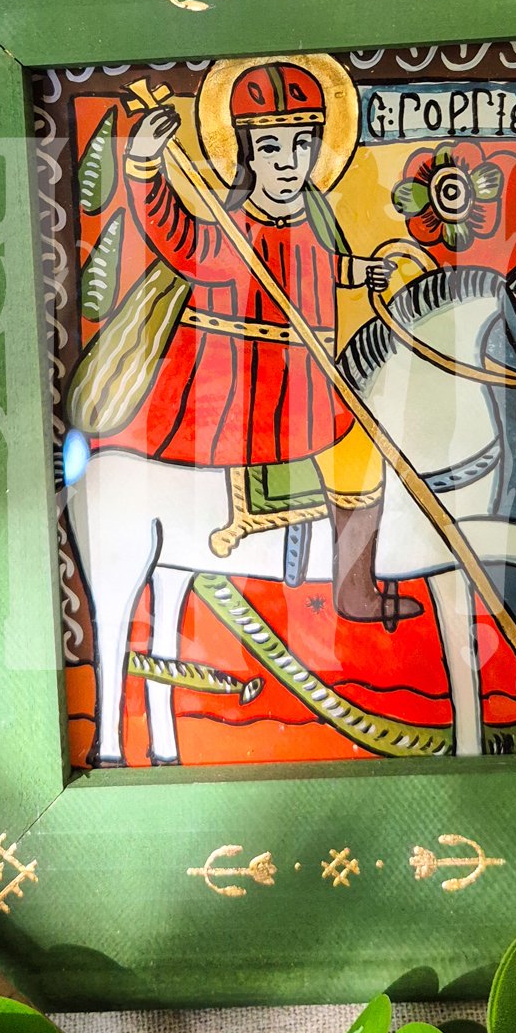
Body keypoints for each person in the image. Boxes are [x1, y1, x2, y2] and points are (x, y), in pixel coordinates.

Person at [107, 61, 421, 624]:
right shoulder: (232, 231)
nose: (288, 162)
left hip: (307, 379)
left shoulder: (312, 217)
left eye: (301, 145)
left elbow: (320, 267)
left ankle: (354, 589)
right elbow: (180, 241)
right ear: (247, 155)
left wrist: (359, 271)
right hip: (250, 389)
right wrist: (145, 166)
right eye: (271, 147)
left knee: (364, 444)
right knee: (357, 451)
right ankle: (353, 592)